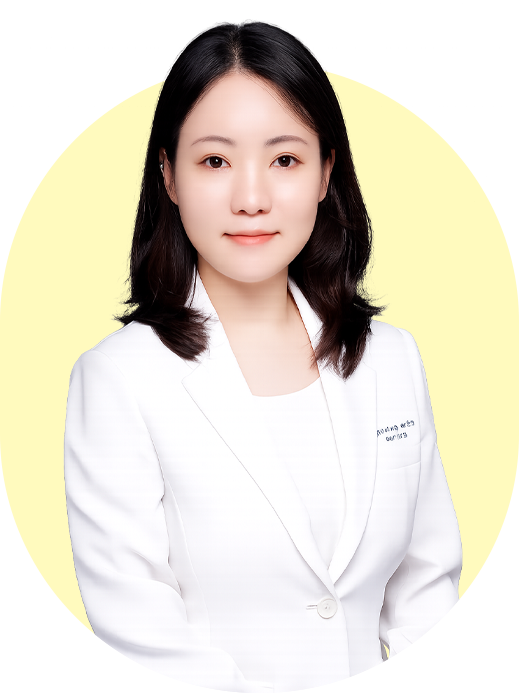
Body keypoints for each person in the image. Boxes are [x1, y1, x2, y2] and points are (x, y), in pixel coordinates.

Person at [64, 18, 462, 693]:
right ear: (168, 175)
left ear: (325, 172)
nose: (251, 200)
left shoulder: (392, 360)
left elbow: (428, 595)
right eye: (214, 161)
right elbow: (141, 631)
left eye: (284, 160)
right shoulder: (118, 381)